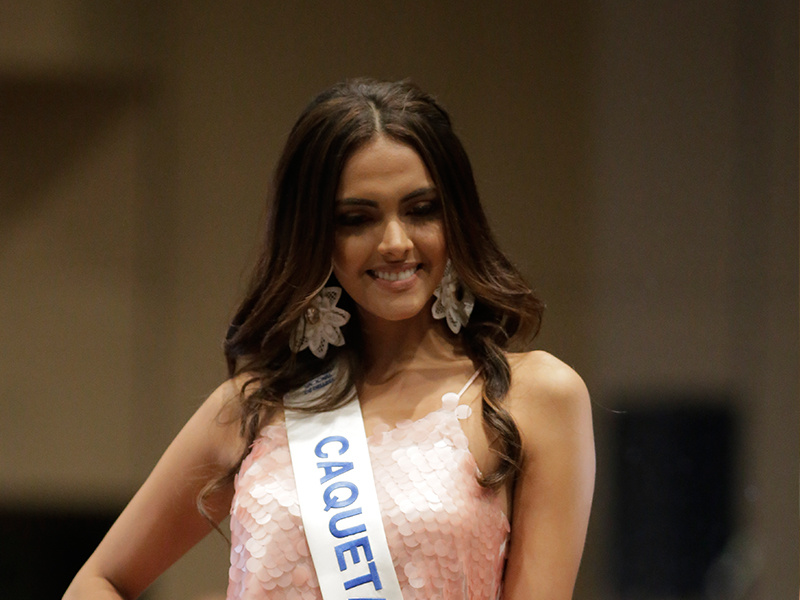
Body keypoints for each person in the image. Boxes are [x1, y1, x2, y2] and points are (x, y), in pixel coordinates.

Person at [63, 78, 595, 600]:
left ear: (456, 217)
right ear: (316, 234)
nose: (395, 242)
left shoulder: (531, 397)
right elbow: (98, 582)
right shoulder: (256, 408)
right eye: (356, 219)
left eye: (421, 210)